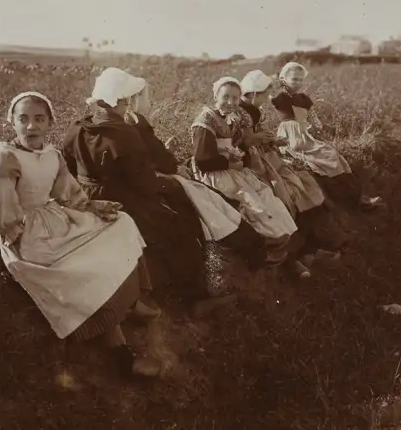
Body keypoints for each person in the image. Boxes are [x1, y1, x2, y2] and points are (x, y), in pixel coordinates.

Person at [0, 91, 161, 378]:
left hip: (53, 217)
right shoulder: (6, 157)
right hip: (27, 231)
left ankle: (131, 303)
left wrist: (94, 205)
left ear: (50, 122)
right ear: (10, 121)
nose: (31, 126)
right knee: (83, 267)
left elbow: (68, 194)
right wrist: (14, 231)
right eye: (23, 119)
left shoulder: (51, 156)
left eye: (39, 119)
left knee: (122, 224)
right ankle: (119, 349)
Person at [63, 68, 267, 304]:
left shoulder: (78, 128)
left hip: (91, 193)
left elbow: (68, 166)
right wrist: (169, 183)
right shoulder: (124, 134)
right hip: (121, 197)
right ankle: (194, 297)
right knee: (180, 225)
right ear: (123, 101)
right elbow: (146, 183)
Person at [190, 76, 311, 279]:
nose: (230, 102)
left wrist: (240, 156)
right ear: (215, 96)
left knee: (267, 196)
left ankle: (285, 252)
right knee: (251, 203)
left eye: (235, 99)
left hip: (232, 169)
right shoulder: (204, 122)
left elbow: (239, 147)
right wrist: (230, 161)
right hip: (214, 174)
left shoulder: (232, 118)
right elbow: (203, 161)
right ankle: (270, 254)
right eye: (225, 97)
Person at [239, 69, 349, 262]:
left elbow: (262, 135)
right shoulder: (238, 113)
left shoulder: (254, 111)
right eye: (264, 95)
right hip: (250, 163)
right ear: (255, 94)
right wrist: (257, 141)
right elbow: (237, 142)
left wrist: (273, 141)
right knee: (288, 195)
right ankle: (301, 254)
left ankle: (313, 246)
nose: (266, 99)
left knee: (305, 185)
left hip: (265, 157)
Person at [270, 62, 383, 211]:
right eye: (293, 79)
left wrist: (317, 125)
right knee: (327, 156)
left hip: (304, 134)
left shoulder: (303, 98)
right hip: (291, 136)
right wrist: (274, 81)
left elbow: (311, 115)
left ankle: (357, 196)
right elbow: (271, 96)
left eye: (300, 79)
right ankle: (353, 200)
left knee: (335, 156)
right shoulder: (281, 97)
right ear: (284, 79)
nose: (297, 83)